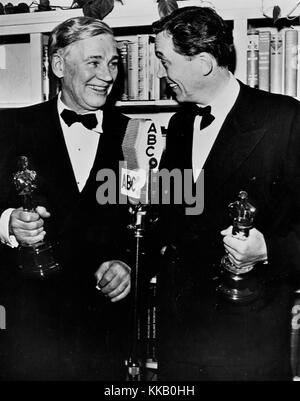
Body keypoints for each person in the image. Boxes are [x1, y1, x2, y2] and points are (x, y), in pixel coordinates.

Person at [151, 6, 300, 381]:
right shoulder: (180, 122)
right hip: (180, 332)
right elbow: (171, 212)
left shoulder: (285, 119)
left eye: (164, 61)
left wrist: (267, 250)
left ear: (202, 62)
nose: (159, 73)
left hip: (247, 334)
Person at [0, 16, 132, 380]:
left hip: (103, 333)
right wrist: (7, 222)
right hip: (30, 332)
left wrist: (129, 264)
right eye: (94, 62)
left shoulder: (136, 134)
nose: (107, 75)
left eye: (113, 63)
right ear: (59, 64)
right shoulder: (10, 128)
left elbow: (154, 222)